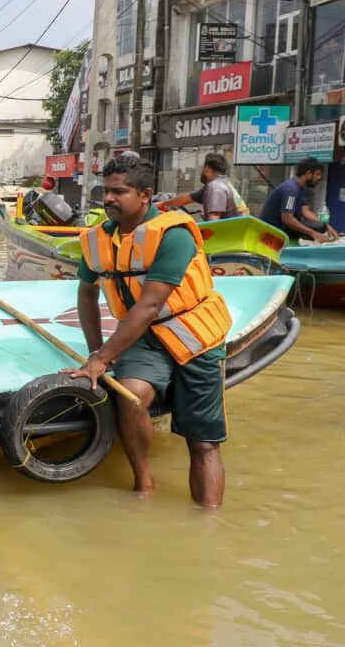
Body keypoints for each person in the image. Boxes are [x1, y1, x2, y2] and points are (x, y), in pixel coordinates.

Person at [66, 158, 232, 508]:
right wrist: (96, 352)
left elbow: (150, 305)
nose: (108, 198)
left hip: (195, 336)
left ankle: (208, 519)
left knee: (202, 442)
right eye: (105, 190)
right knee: (131, 396)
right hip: (143, 339)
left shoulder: (173, 235)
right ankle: (144, 484)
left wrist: (103, 358)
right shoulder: (96, 240)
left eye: (118, 191)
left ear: (145, 195)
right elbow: (86, 293)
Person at [258, 158, 339, 243]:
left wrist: (327, 226)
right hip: (273, 230)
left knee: (321, 226)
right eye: (317, 174)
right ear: (308, 174)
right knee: (317, 229)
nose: (319, 178)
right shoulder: (291, 190)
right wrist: (313, 233)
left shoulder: (300, 188)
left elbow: (305, 212)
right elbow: (287, 219)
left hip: (283, 226)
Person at [157, 153, 247, 221]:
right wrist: (162, 204)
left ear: (207, 169)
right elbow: (186, 198)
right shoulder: (223, 183)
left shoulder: (215, 187)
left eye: (202, 168)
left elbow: (214, 220)